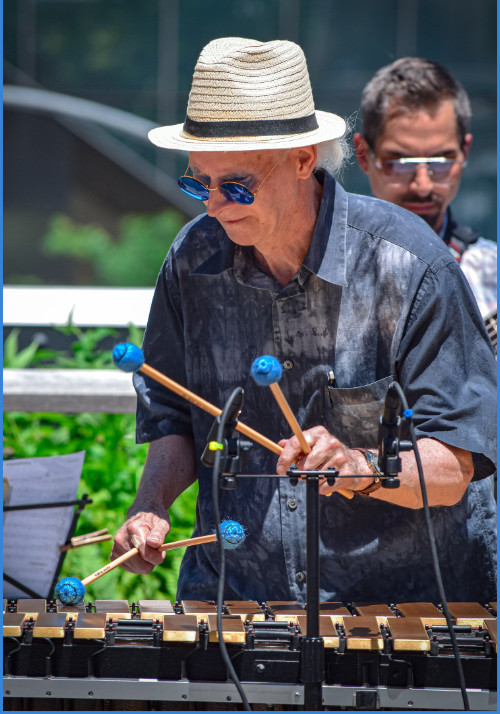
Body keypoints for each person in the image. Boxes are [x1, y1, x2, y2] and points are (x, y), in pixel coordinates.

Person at [112, 37, 496, 605]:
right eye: (198, 183)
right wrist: (151, 504)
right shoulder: (193, 260)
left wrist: (361, 464)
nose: (213, 206)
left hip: (397, 613)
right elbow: (175, 419)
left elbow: (456, 463)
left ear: (302, 160)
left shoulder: (412, 266)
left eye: (237, 185)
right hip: (238, 597)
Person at [353, 57, 497, 339]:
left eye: (441, 160)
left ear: (465, 152)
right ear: (363, 155)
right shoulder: (320, 270)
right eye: (401, 161)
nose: (422, 184)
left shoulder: (494, 276)